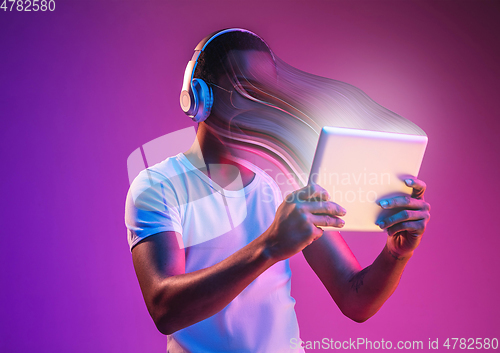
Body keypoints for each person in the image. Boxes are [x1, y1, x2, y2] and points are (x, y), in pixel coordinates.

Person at [125, 29, 431, 353]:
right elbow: (165, 309)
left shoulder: (284, 183)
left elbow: (356, 300)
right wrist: (269, 246)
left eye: (265, 94)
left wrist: (396, 253)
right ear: (199, 97)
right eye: (243, 91)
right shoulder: (157, 186)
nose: (258, 107)